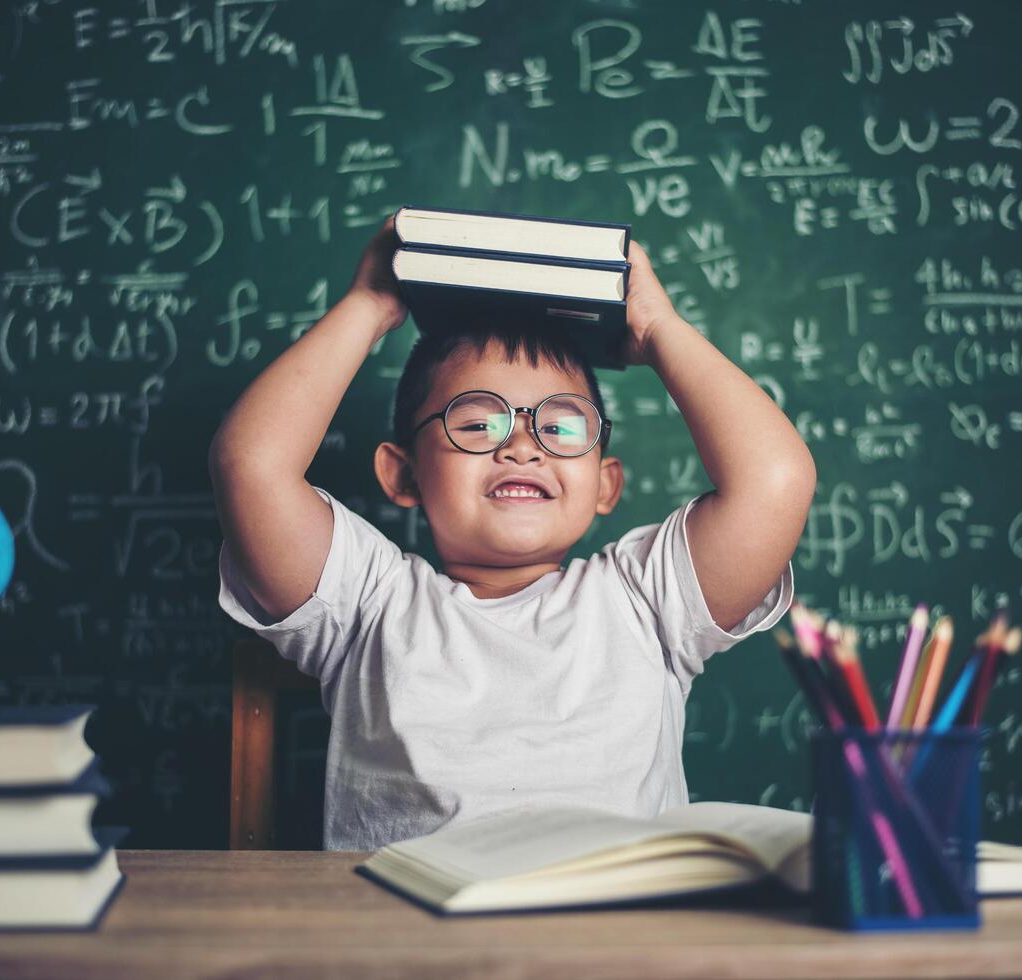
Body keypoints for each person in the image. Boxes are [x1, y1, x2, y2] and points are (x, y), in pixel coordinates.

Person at [210, 214, 816, 850]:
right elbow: (251, 467)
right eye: (476, 425)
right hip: (404, 937)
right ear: (403, 474)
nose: (523, 446)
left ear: (605, 483)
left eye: (561, 427)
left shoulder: (644, 600)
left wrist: (658, 328)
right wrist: (368, 307)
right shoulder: (368, 603)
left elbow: (775, 482)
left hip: (612, 938)